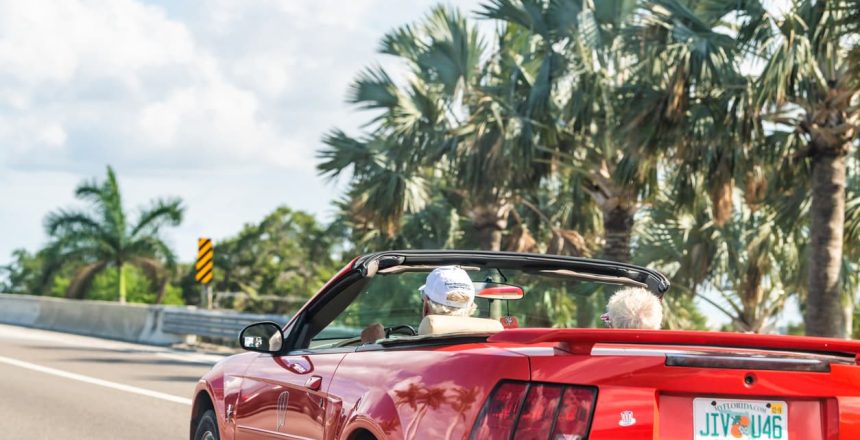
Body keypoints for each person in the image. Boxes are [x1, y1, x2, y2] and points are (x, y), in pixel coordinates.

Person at [360, 266, 477, 343]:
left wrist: (376, 342)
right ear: (471, 307)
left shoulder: (413, 355)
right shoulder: (487, 348)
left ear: (426, 306)